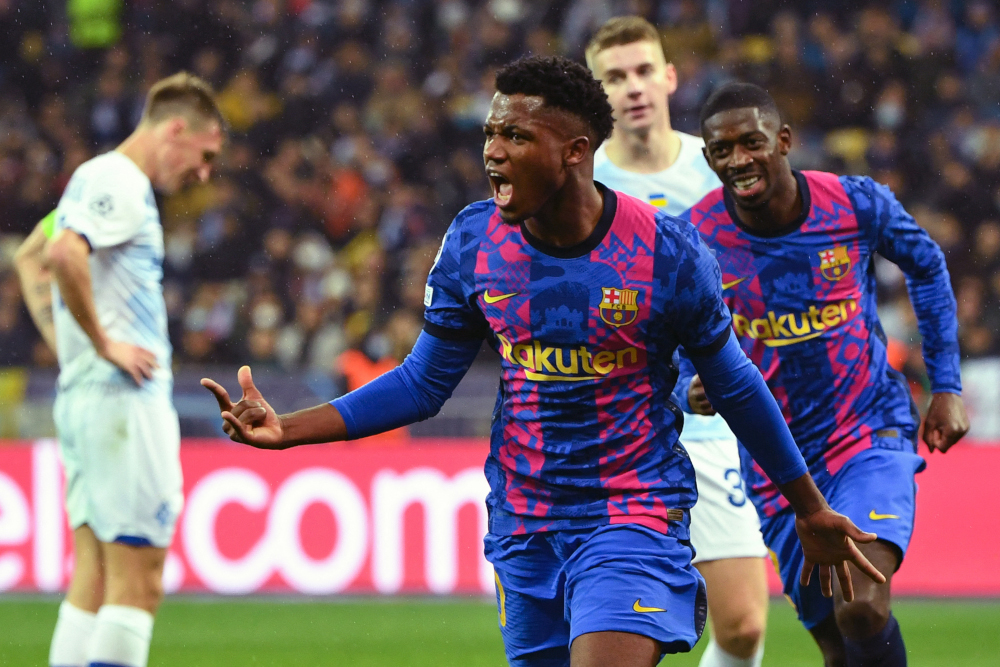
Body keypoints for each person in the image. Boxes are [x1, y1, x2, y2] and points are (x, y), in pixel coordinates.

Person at [203, 57, 884, 667]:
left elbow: (735, 383)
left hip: (632, 513)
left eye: (517, 137)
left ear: (575, 152)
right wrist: (288, 428)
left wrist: (808, 507)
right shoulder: (473, 241)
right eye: (490, 135)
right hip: (524, 522)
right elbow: (422, 383)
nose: (493, 152)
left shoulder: (667, 253)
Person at [679, 82, 969, 667]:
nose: (739, 160)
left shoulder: (854, 203)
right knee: (838, 648)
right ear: (708, 159)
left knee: (861, 606)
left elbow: (927, 264)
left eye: (751, 142)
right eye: (723, 150)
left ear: (784, 141)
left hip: (867, 432)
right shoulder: (693, 238)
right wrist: (687, 382)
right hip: (778, 464)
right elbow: (674, 328)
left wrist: (946, 385)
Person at [15, 72, 224, 667]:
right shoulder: (121, 182)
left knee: (96, 578)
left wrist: (74, 345)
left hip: (86, 398)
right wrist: (103, 343)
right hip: (123, 403)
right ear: (176, 130)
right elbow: (61, 254)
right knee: (140, 580)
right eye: (205, 155)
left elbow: (31, 255)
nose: (203, 173)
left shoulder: (96, 179)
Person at [587, 18, 770, 667]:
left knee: (743, 624)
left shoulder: (720, 168)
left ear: (669, 77)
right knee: (624, 631)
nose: (634, 87)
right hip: (617, 431)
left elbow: (762, 275)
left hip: (712, 423)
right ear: (598, 93)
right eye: (615, 77)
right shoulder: (582, 181)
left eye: (643, 71)